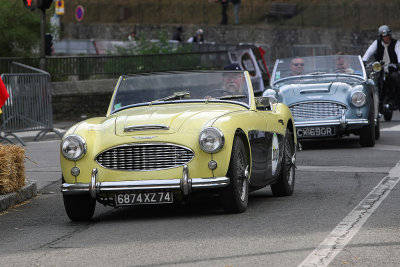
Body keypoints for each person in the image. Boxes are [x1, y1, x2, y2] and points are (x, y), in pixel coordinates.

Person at [362, 25, 400, 108]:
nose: (387, 38)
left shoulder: (396, 43)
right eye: (384, 36)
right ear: (381, 37)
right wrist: (364, 61)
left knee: (396, 78)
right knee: (372, 79)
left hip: (392, 68)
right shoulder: (377, 43)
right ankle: (371, 99)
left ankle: (397, 100)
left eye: (388, 35)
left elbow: (399, 53)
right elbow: (369, 52)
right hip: (379, 69)